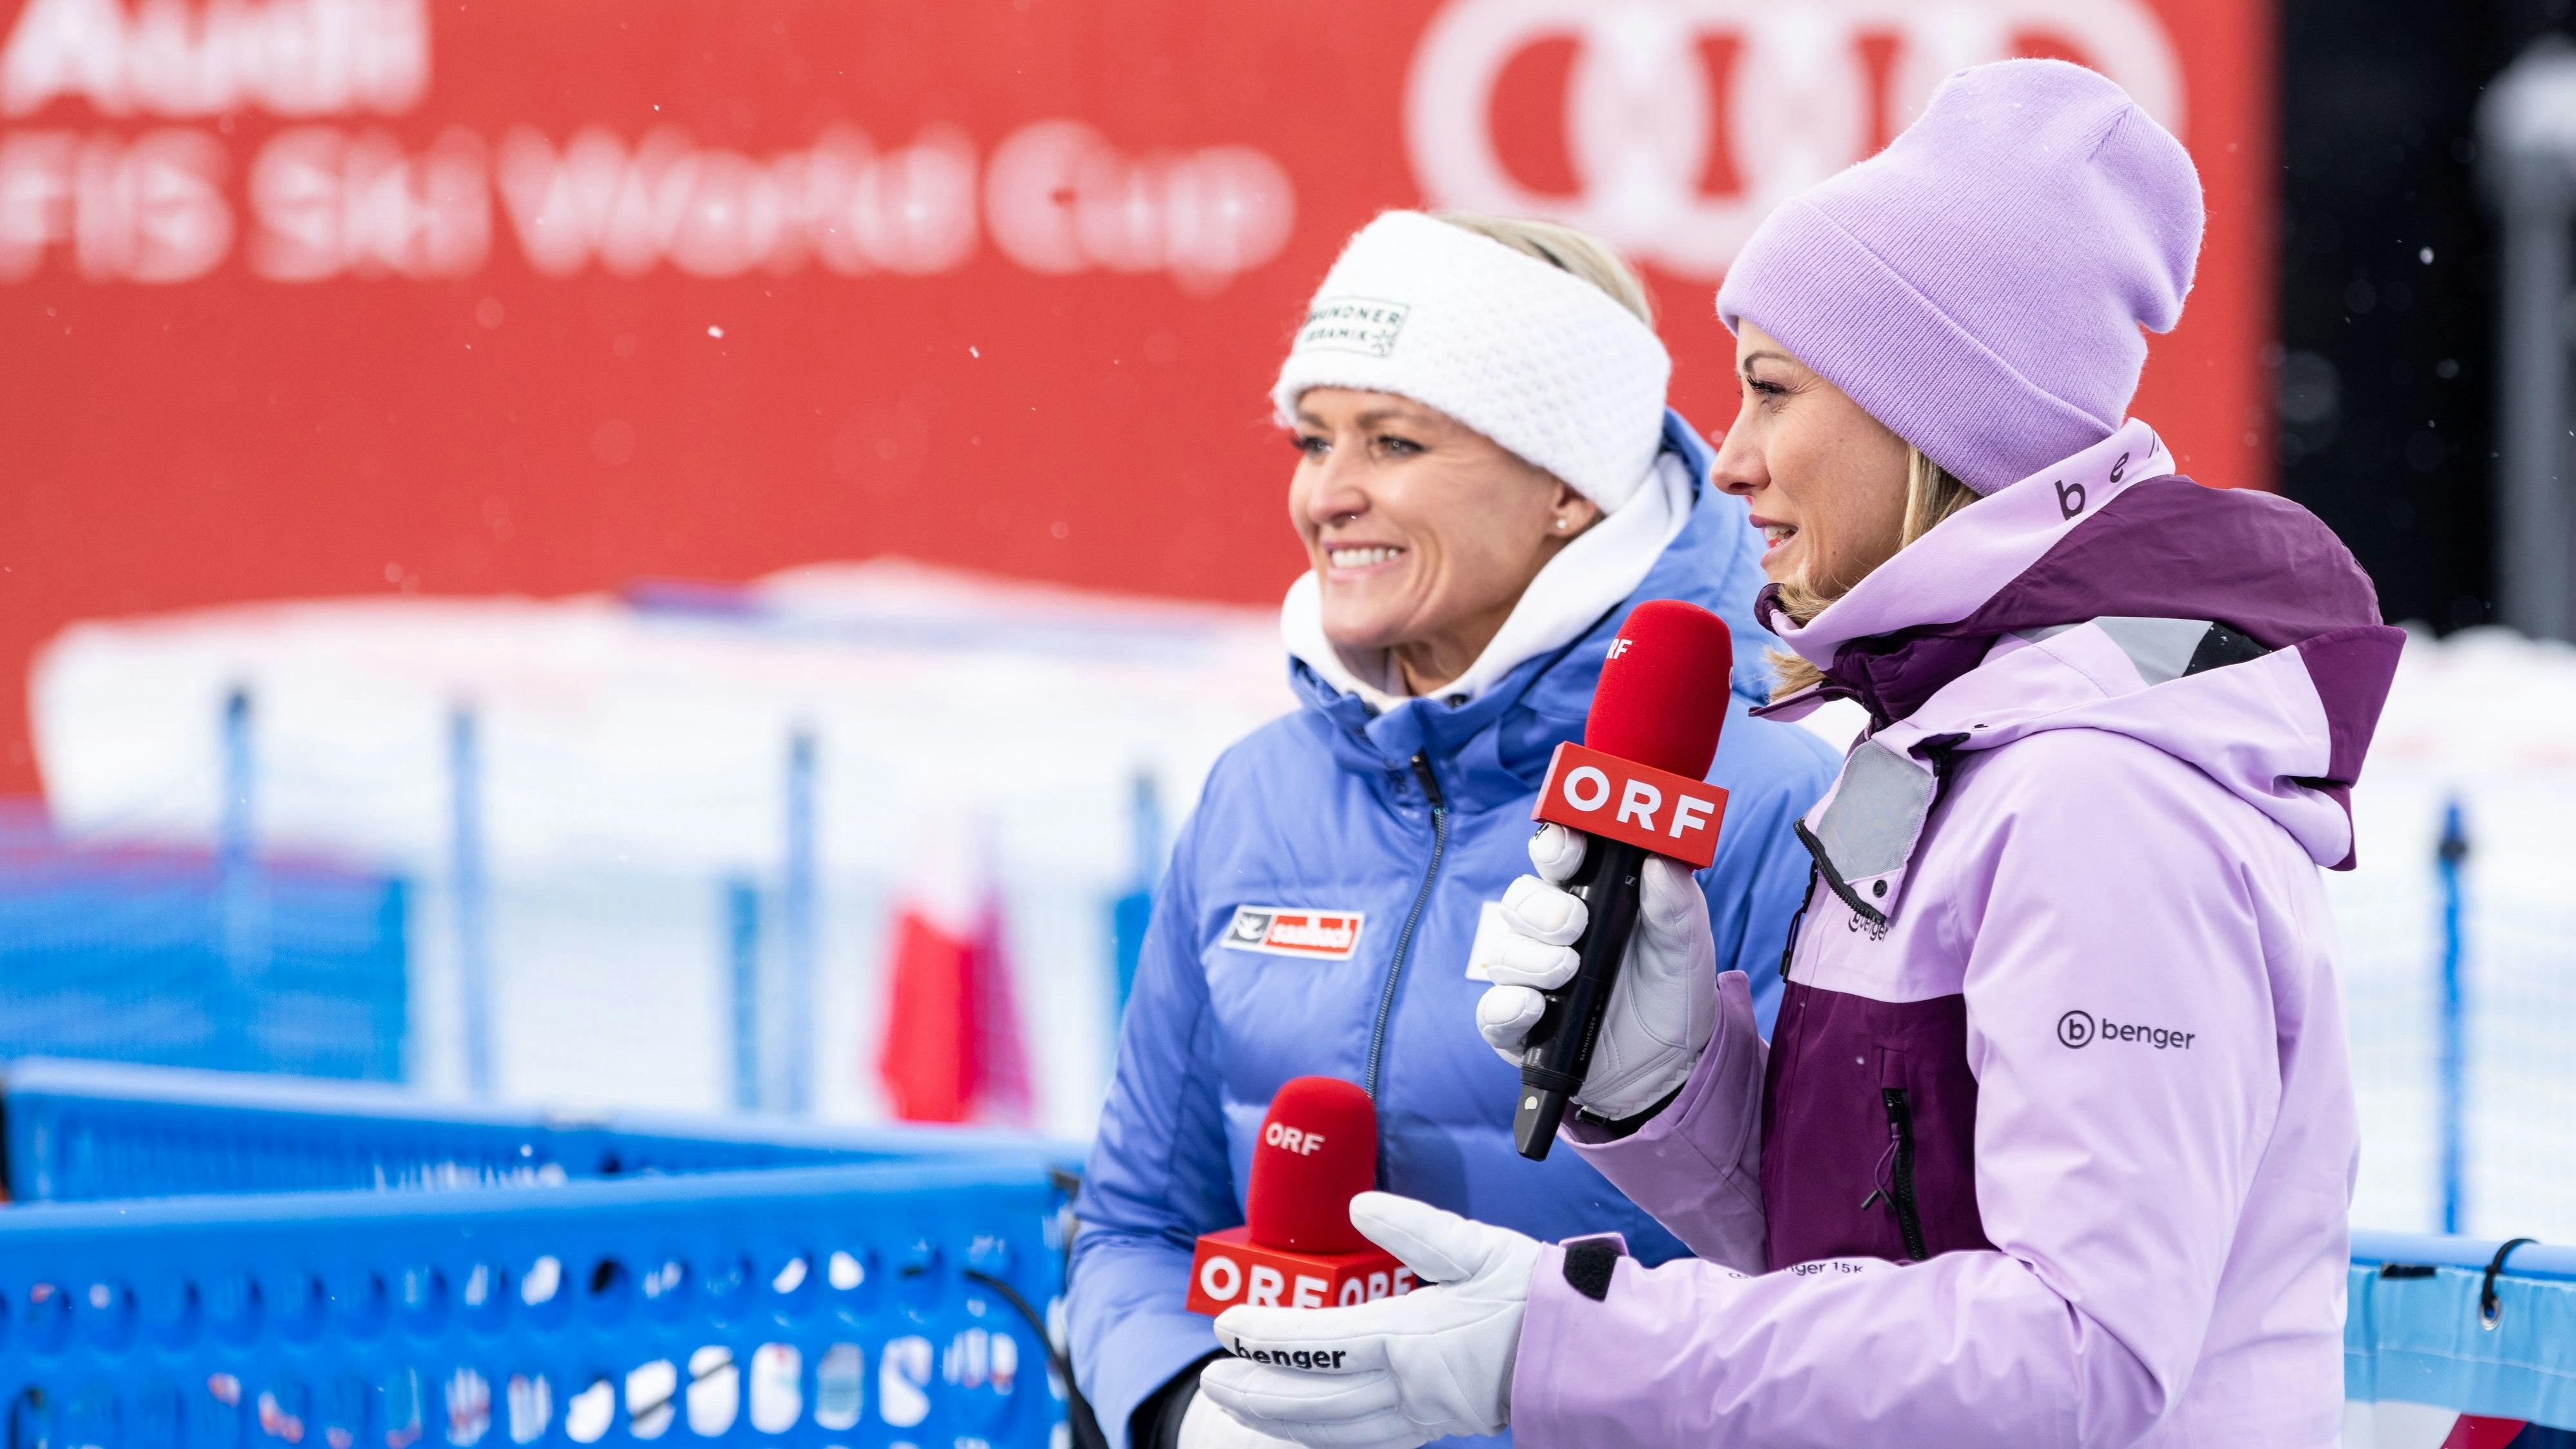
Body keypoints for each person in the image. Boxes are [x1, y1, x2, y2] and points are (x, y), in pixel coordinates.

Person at [1194, 61, 2401, 1449]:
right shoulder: (1942, 741)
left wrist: (1569, 1347)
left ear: (1931, 421)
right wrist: (1673, 1090)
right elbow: (1860, 1253)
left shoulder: (2096, 794)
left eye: (1771, 393)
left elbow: (2075, 1358)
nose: (1728, 460)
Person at [1067, 211, 1841, 1449]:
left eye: (1395, 440)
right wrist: (1184, 1412)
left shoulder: (1770, 806)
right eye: (1313, 440)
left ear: (1565, 489)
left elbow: (1838, 1300)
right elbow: (1135, 1229)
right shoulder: (1254, 793)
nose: (1330, 492)